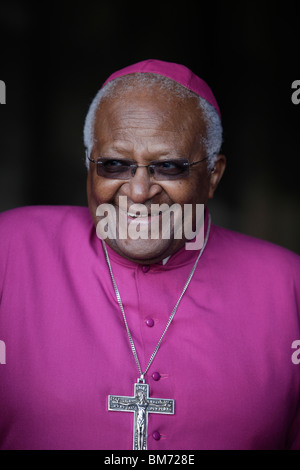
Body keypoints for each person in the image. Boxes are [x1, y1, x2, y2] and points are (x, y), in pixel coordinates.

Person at [0, 59, 299, 450]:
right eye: (115, 165)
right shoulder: (11, 251)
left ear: (212, 175)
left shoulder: (288, 287)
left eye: (168, 167)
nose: (139, 192)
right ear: (89, 168)